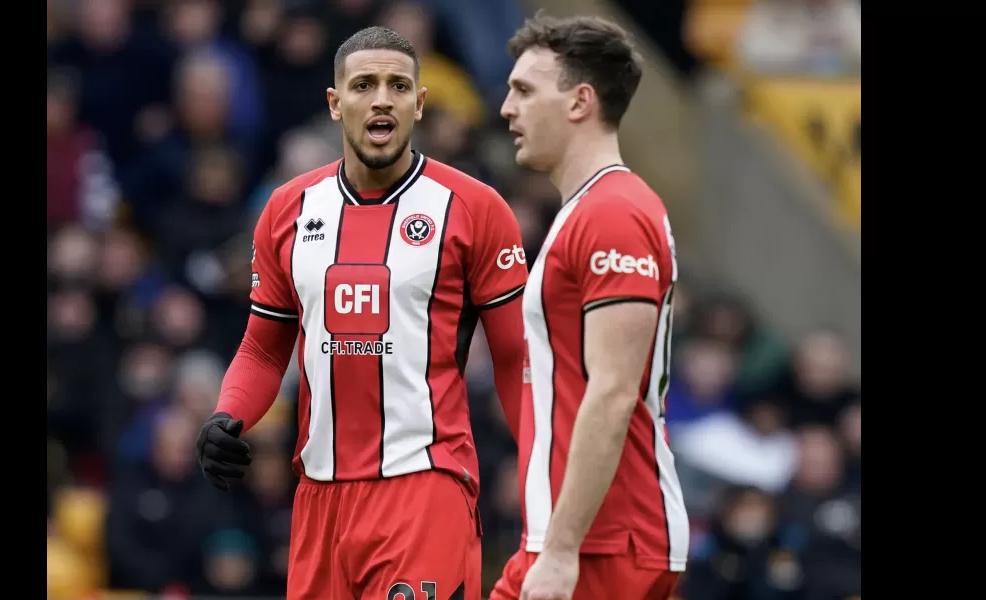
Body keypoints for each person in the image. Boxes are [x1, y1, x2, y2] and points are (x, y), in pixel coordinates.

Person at [195, 26, 529, 600]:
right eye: (364, 84)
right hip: (319, 498)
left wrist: (542, 479)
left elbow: (515, 358)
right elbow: (262, 348)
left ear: (419, 105)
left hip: (424, 487)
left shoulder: (474, 208)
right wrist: (226, 416)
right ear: (335, 103)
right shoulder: (287, 210)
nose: (381, 98)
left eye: (398, 86)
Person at [492, 13, 690, 600]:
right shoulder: (591, 209)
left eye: (524, 90)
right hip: (580, 540)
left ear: (580, 101)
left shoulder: (613, 213)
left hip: (604, 544)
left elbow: (611, 389)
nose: (506, 108)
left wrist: (561, 550)